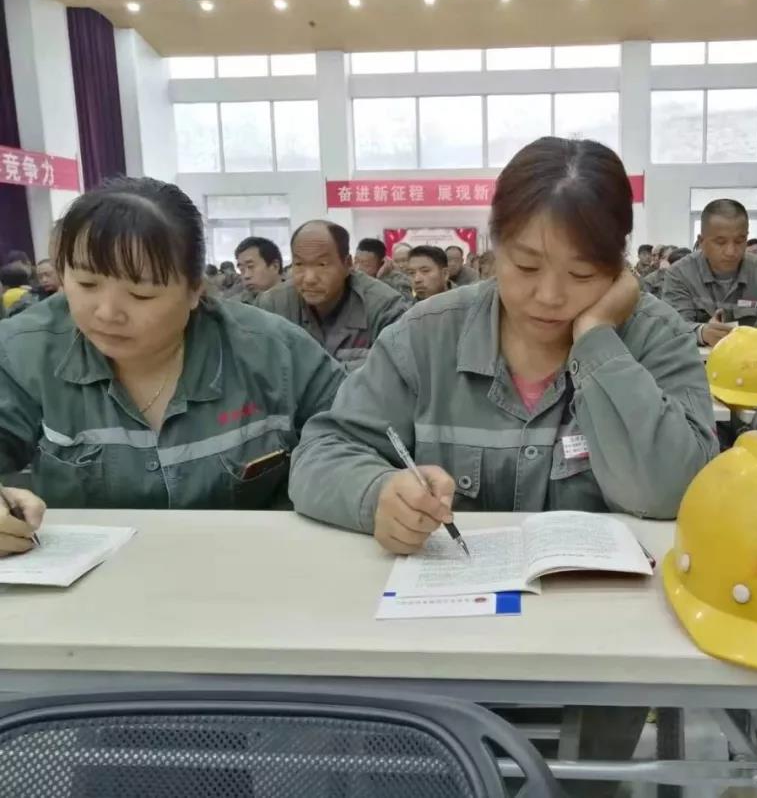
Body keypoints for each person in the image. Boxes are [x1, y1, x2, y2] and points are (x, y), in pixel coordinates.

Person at [289, 137, 716, 797]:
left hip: (597, 666)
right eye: (526, 265)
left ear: (620, 266)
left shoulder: (653, 338)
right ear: (492, 246)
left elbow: (672, 490)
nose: (550, 296)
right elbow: (322, 450)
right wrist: (379, 493)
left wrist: (598, 340)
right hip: (440, 655)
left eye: (583, 274)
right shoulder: (427, 334)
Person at [0, 177, 344, 535]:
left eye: (141, 294)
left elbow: (351, 437)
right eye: (86, 284)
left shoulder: (275, 353)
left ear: (195, 290)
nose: (107, 313)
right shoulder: (26, 350)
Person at [256, 221, 410, 370]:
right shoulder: (272, 305)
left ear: (347, 264)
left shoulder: (384, 306)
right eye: (299, 264)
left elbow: (398, 369)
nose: (309, 279)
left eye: (322, 264)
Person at [662, 199, 757, 347]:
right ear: (701, 241)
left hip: (754, 357)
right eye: (720, 242)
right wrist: (702, 332)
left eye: (739, 241)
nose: (731, 251)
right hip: (697, 359)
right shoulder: (680, 274)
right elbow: (673, 327)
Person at [230, 236, 284, 304]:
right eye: (241, 270)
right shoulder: (235, 305)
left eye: (251, 266)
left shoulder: (294, 298)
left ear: (275, 266)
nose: (246, 276)